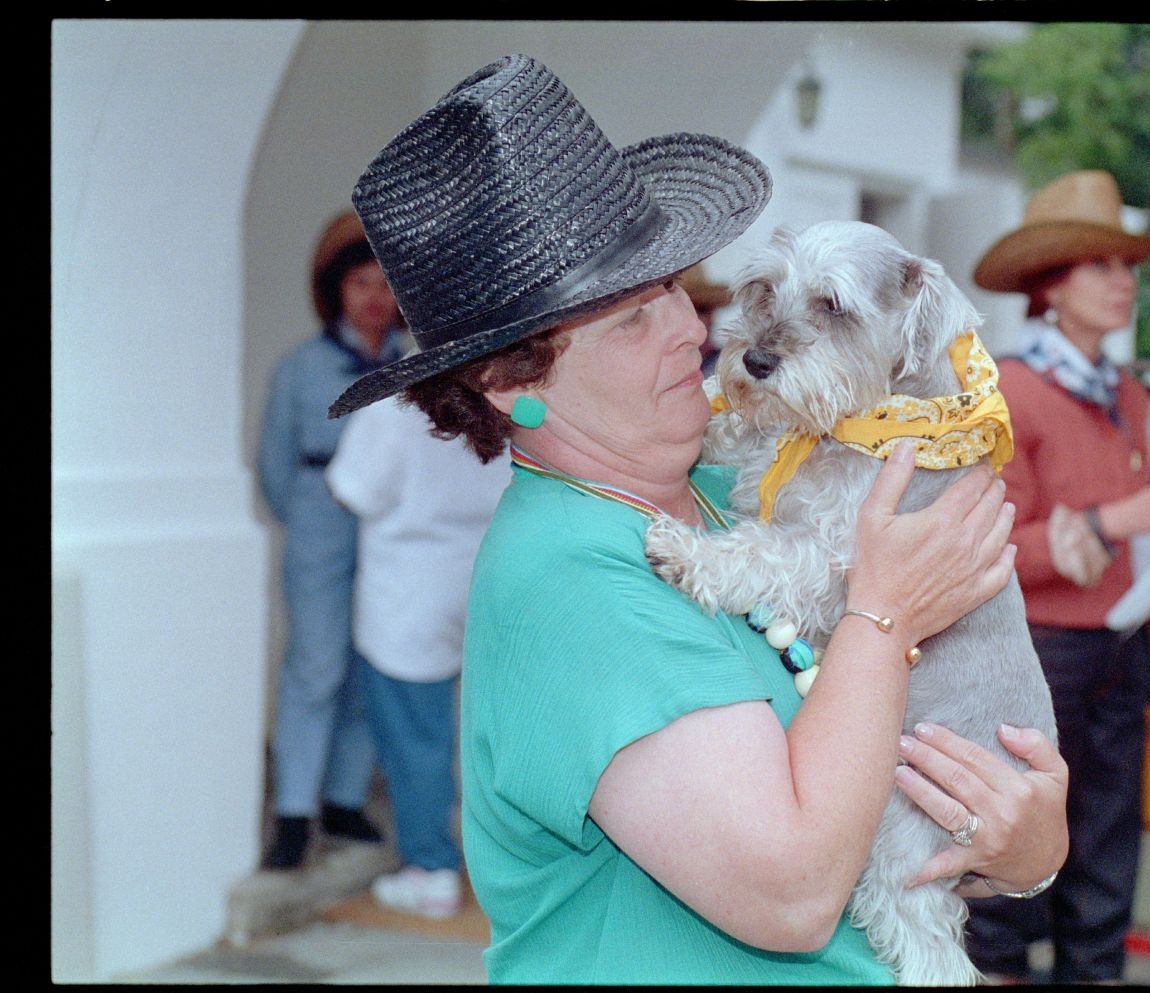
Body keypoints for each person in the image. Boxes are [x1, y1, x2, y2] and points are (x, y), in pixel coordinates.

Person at [326, 54, 1069, 984]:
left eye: (675, 287)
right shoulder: (575, 585)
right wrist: (885, 613)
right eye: (631, 320)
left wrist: (1028, 846)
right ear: (513, 382)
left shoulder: (737, 491)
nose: (694, 329)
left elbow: (907, 800)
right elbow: (792, 897)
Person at [964, 169, 1150, 983]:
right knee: (1008, 856)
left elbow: (1131, 529)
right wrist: (1121, 519)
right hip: (1033, 649)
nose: (1123, 283)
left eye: (1128, 267)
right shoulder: (1008, 390)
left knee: (1110, 851)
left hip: (1121, 641)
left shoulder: (1127, 394)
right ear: (1050, 284)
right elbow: (988, 542)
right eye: (1100, 266)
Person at [256, 210, 407, 869]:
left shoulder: (412, 372)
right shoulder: (301, 367)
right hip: (321, 522)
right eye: (361, 283)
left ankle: (345, 799)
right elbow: (272, 466)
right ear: (337, 291)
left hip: (392, 529)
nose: (376, 298)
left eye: (386, 284)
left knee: (371, 665)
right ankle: (293, 812)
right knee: (315, 665)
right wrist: (315, 517)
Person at [326, 394, 514, 917]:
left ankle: (430, 869)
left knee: (416, 740)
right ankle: (507, 866)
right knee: (495, 735)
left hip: (409, 592)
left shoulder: (392, 407)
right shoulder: (497, 390)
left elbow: (352, 489)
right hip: (488, 575)